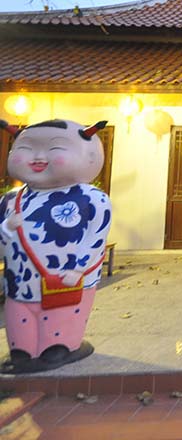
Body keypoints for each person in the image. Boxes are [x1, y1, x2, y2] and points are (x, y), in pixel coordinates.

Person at [0, 119, 111, 372]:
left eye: (54, 148)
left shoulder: (91, 198)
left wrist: (79, 268)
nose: (39, 157)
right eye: (27, 148)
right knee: (19, 325)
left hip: (66, 277)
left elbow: (96, 237)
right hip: (19, 280)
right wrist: (6, 227)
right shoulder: (10, 200)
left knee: (59, 327)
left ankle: (61, 345)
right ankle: (22, 350)